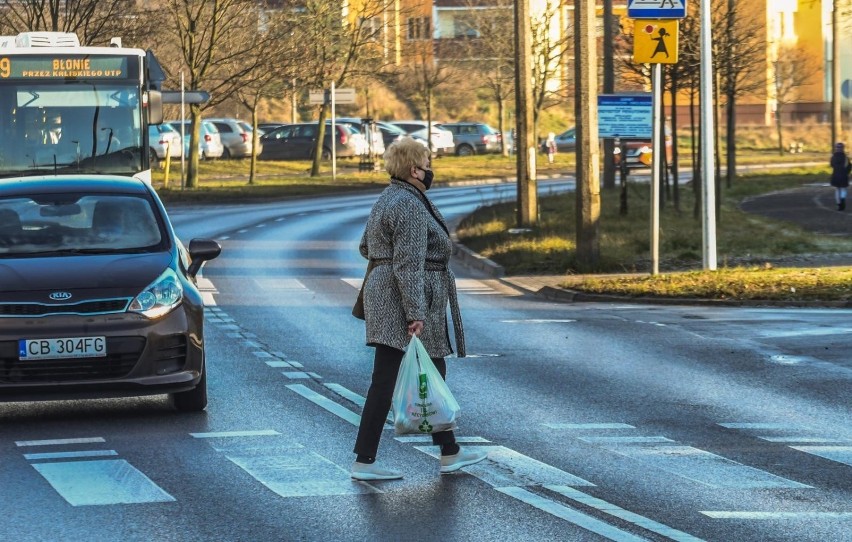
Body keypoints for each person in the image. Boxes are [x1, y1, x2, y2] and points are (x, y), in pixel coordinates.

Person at [351, 136, 487, 481]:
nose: (430, 170)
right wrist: (415, 312)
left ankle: (449, 451)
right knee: (386, 379)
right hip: (403, 298)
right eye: (427, 164)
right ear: (414, 169)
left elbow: (367, 246)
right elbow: (409, 264)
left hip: (387, 292)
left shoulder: (389, 197)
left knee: (431, 369)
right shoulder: (410, 206)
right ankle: (365, 461)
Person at [829, 142, 851, 211]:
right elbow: (849, 167)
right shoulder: (846, 158)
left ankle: (839, 203)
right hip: (843, 175)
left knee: (838, 189)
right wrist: (847, 172)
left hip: (836, 174)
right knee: (842, 189)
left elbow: (832, 165)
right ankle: (842, 201)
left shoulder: (833, 157)